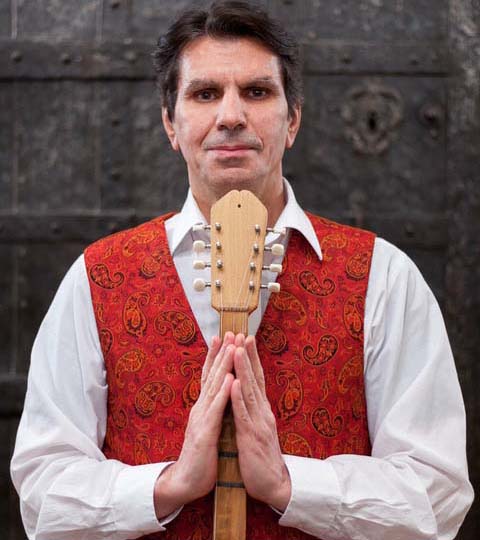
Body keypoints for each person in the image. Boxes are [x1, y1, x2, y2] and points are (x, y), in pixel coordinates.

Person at [11, 2, 473, 539]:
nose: (231, 115)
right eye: (205, 94)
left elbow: (437, 493)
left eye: (256, 92)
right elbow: (43, 489)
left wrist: (288, 484)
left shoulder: (385, 278)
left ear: (292, 120)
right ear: (171, 123)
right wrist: (168, 485)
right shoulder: (98, 278)